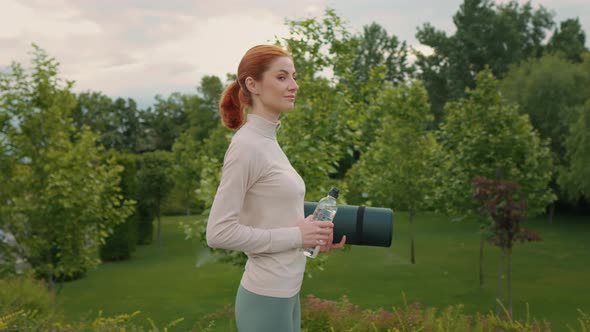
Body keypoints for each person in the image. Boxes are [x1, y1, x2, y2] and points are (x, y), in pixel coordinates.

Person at [206, 44, 347, 332]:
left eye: (294, 77)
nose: (294, 85)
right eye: (282, 77)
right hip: (266, 296)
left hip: (286, 291)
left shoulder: (268, 142)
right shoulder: (246, 146)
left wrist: (310, 237)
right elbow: (218, 232)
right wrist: (297, 235)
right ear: (253, 84)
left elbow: (270, 214)